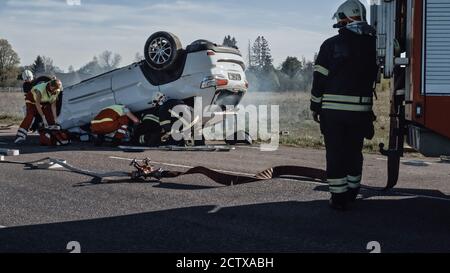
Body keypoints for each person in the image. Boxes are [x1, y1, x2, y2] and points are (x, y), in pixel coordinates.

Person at [310, 0, 378, 210]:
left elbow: (319, 78)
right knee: (354, 152)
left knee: (336, 153)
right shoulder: (374, 44)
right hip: (360, 112)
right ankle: (353, 191)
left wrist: (315, 105)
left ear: (343, 18)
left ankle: (338, 198)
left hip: (334, 113)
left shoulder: (331, 44)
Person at [15, 78, 63, 144]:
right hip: (32, 100)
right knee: (30, 116)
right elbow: (37, 104)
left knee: (49, 115)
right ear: (50, 86)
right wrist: (43, 117)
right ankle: (20, 136)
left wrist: (55, 119)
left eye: (56, 90)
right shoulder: (40, 90)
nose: (55, 91)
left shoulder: (57, 90)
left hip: (43, 101)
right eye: (54, 89)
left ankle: (53, 136)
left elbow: (53, 105)